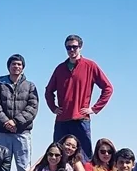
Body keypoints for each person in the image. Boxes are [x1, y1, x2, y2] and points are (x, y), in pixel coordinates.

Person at [44, 34, 114, 162]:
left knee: (84, 156)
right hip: (62, 120)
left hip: (81, 119)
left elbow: (108, 88)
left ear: (80, 47)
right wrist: (53, 108)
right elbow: (48, 91)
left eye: (74, 47)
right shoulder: (60, 69)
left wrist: (94, 109)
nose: (71, 50)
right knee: (58, 155)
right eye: (68, 47)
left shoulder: (90, 66)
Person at [0, 53, 39, 171]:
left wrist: (15, 122)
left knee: (24, 167)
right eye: (13, 64)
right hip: (2, 133)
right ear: (8, 66)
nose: (16, 66)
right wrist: (6, 122)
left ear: (23, 67)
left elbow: (32, 108)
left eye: (19, 64)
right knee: (0, 166)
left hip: (22, 133)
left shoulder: (30, 86)